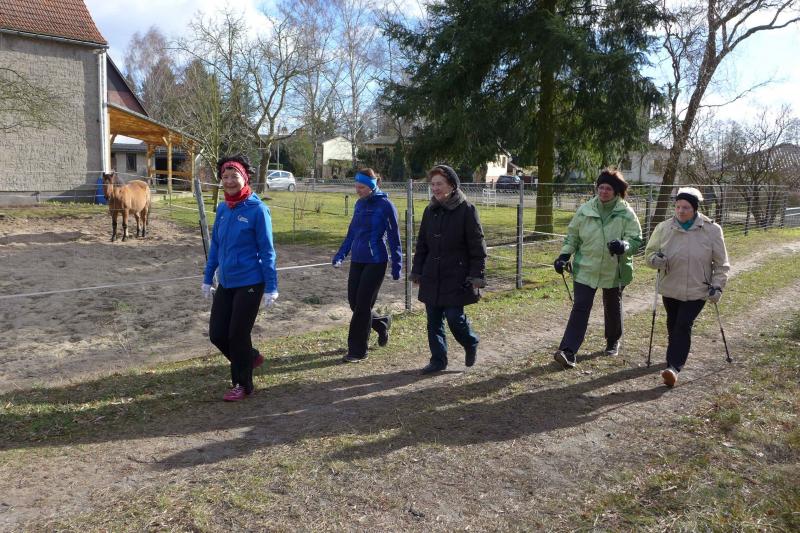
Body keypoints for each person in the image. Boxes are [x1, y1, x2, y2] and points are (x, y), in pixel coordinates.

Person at [202, 154, 278, 402]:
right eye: (224, 177)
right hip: (226, 281)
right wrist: (207, 277)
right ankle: (250, 356)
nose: (229, 181)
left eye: (234, 176)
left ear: (244, 178)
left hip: (251, 282)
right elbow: (216, 245)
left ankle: (242, 385)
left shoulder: (258, 210)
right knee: (217, 334)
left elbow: (267, 250)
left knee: (237, 335)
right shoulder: (223, 208)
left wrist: (272, 286)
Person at [553, 168, 642, 369]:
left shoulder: (626, 213)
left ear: (616, 191)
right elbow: (572, 236)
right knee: (580, 307)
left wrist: (624, 245)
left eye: (608, 188)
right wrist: (563, 256)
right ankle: (568, 351)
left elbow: (636, 239)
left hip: (614, 269)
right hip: (586, 267)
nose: (603, 191)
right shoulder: (585, 210)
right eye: (601, 187)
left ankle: (613, 340)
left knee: (612, 306)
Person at [644, 187, 730, 387]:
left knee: (683, 324)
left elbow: (722, 263)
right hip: (670, 286)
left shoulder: (712, 230)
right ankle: (674, 355)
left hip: (698, 289)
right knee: (673, 324)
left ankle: (673, 367)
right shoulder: (664, 228)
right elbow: (649, 254)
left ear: (695, 208)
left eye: (686, 208)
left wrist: (717, 286)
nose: (681, 211)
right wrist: (655, 260)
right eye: (677, 207)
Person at [410, 164, 487, 374]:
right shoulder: (430, 211)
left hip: (457, 276)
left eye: (440, 184)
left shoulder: (467, 210)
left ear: (452, 185)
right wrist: (417, 271)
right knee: (433, 321)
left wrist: (476, 275)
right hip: (432, 275)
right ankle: (438, 360)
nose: (435, 188)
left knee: (454, 317)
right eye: (433, 184)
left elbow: (477, 246)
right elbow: (422, 244)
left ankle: (470, 341)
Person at [332, 168, 402, 362]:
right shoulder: (359, 204)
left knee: (362, 306)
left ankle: (357, 351)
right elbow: (352, 233)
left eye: (361, 187)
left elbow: (394, 238)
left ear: (372, 186)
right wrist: (341, 254)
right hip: (357, 259)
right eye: (356, 186)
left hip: (376, 261)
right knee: (354, 303)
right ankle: (382, 323)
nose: (357, 190)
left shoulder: (386, 206)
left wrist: (397, 265)